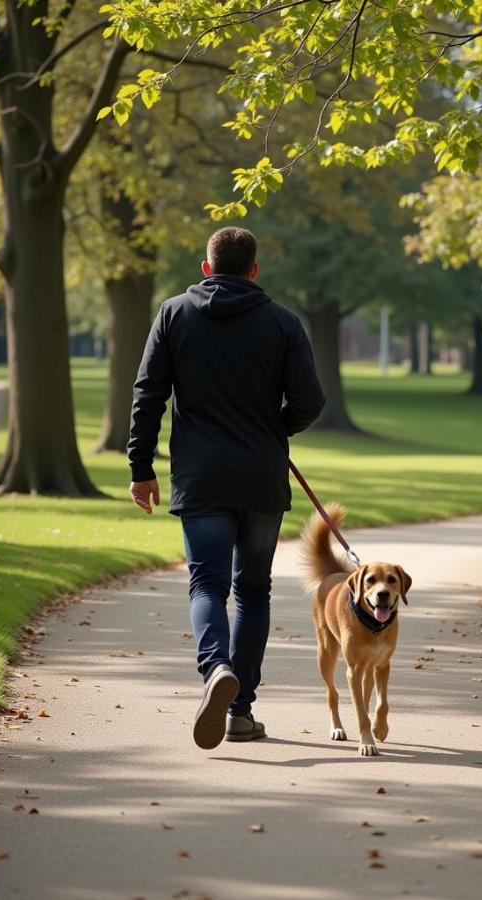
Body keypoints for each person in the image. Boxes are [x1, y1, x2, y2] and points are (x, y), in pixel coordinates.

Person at [127, 226, 325, 749]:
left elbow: (149, 393)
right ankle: (240, 711)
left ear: (206, 268)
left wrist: (140, 466)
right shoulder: (283, 323)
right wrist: (275, 428)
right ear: (254, 270)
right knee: (252, 591)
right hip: (261, 477)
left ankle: (215, 667)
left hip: (201, 477)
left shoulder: (173, 315)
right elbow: (310, 401)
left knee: (207, 586)